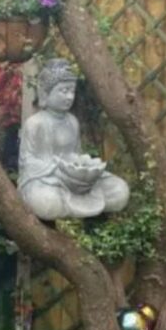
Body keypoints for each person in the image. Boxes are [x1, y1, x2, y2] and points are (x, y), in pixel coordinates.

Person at [17, 59, 129, 220]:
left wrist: (81, 171)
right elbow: (27, 162)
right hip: (46, 179)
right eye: (63, 91)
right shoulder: (35, 124)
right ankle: (71, 203)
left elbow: (76, 155)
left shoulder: (72, 122)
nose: (69, 96)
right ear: (45, 93)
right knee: (47, 202)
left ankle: (76, 203)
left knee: (120, 190)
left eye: (72, 91)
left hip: (73, 181)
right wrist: (56, 168)